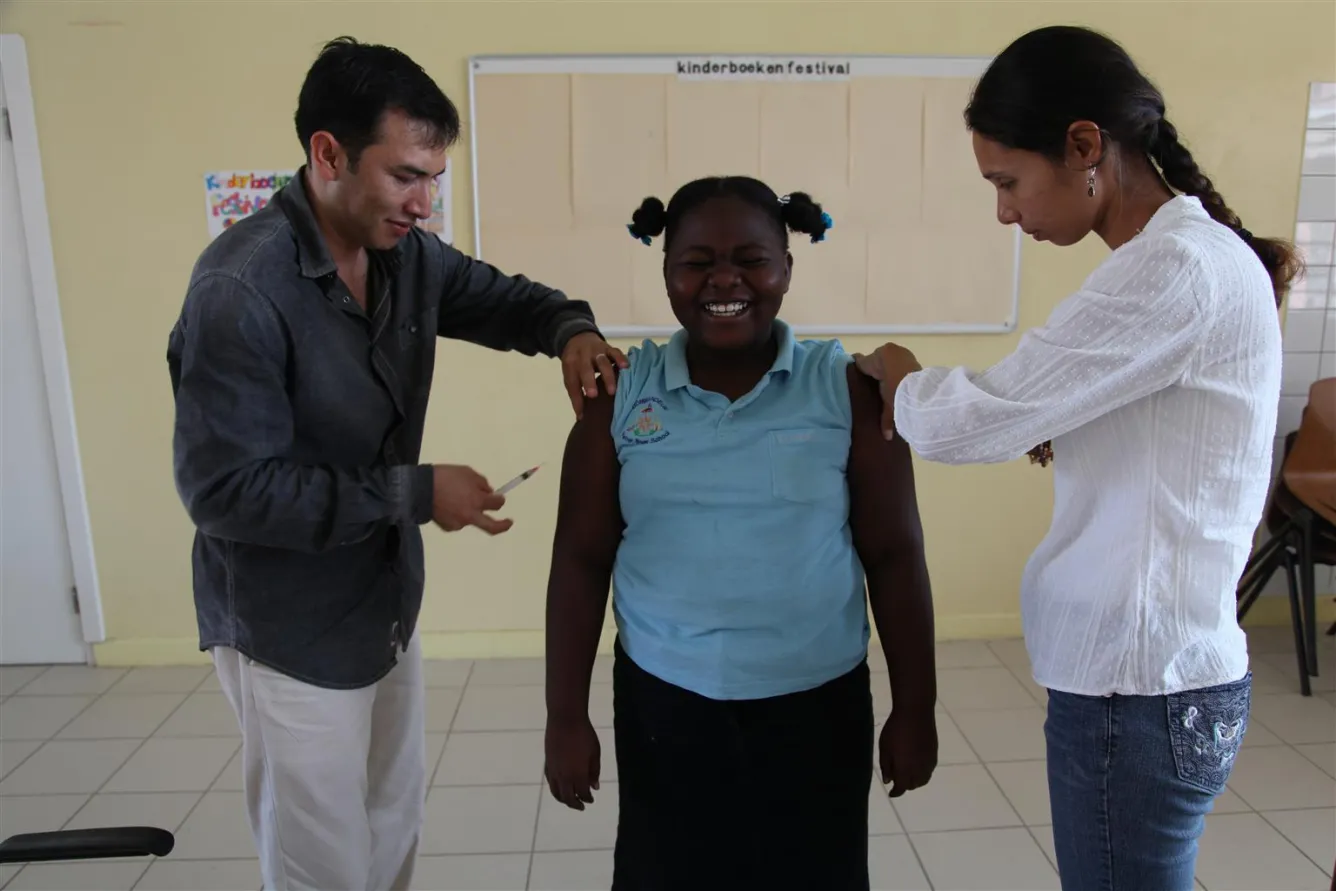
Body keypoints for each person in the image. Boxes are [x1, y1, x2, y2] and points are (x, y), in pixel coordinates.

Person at [167, 37, 626, 891]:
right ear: (328, 154)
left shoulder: (405, 255)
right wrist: (416, 492)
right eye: (407, 175)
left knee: (390, 822)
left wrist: (571, 330)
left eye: (435, 181)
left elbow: (507, 300)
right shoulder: (239, 290)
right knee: (321, 862)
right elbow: (224, 491)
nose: (424, 204)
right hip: (287, 628)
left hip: (382, 601)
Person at [853, 25, 1301, 891]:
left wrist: (900, 379)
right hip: (1169, 679)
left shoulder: (1172, 269)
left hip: (1137, 693)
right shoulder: (1195, 257)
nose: (1005, 211)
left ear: (1085, 146)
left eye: (1008, 182)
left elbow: (972, 421)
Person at [543, 176, 938, 891]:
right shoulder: (620, 395)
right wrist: (564, 716)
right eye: (696, 260)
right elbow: (579, 558)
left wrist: (916, 708)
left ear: (786, 266)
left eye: (751, 258)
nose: (724, 279)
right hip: (665, 701)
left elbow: (895, 552)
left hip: (817, 704)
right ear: (666, 275)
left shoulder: (845, 388)